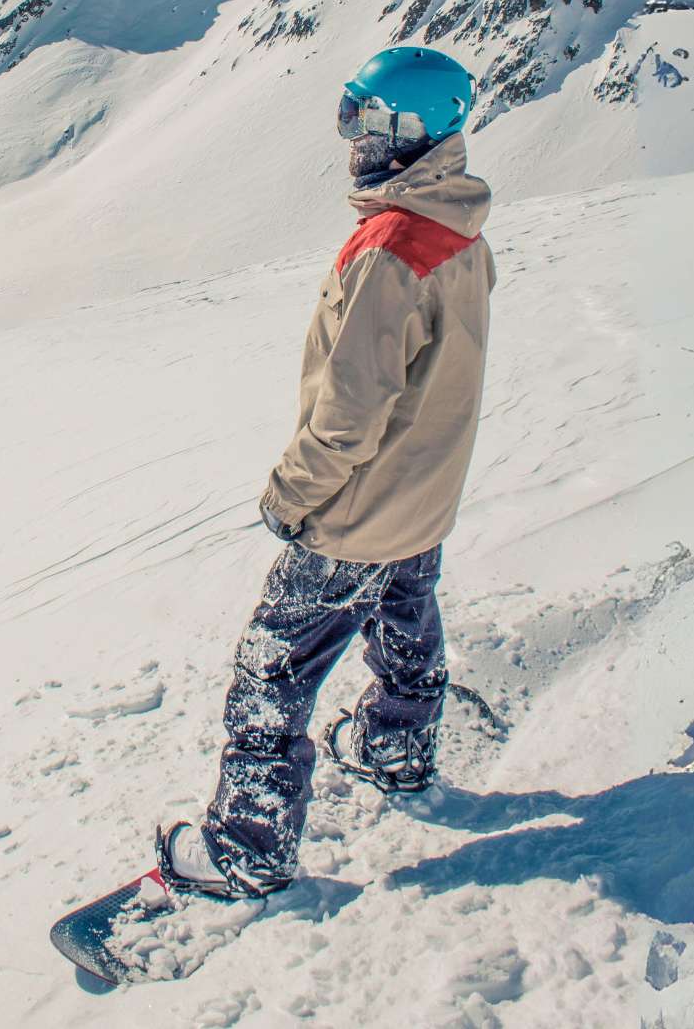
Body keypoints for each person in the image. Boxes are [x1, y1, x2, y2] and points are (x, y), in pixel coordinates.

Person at [158, 46, 497, 900]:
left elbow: (349, 414)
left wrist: (290, 497)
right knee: (403, 615)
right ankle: (395, 746)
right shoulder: (459, 223)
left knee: (273, 670)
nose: (353, 139)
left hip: (359, 507)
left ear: (413, 134)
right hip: (424, 494)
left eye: (370, 121)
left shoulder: (390, 249)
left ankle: (247, 848)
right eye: (348, 115)